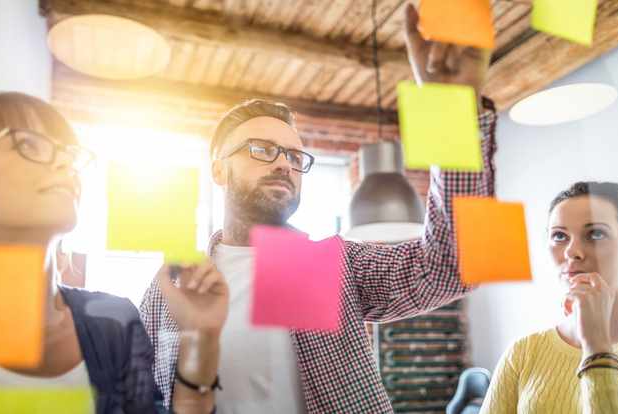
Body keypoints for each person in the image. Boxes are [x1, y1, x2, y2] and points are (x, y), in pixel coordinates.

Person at [139, 3, 498, 412]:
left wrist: (453, 115)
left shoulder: (328, 264)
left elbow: (454, 265)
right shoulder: (174, 285)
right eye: (263, 150)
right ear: (219, 171)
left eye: (295, 156)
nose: (283, 164)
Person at [0, 92, 224, 414]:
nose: (66, 164)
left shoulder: (115, 323)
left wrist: (201, 339)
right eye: (29, 144)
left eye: (69, 155)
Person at [480, 182, 618, 413]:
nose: (571, 252)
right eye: (559, 236)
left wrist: (597, 347)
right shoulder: (523, 352)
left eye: (595, 233)